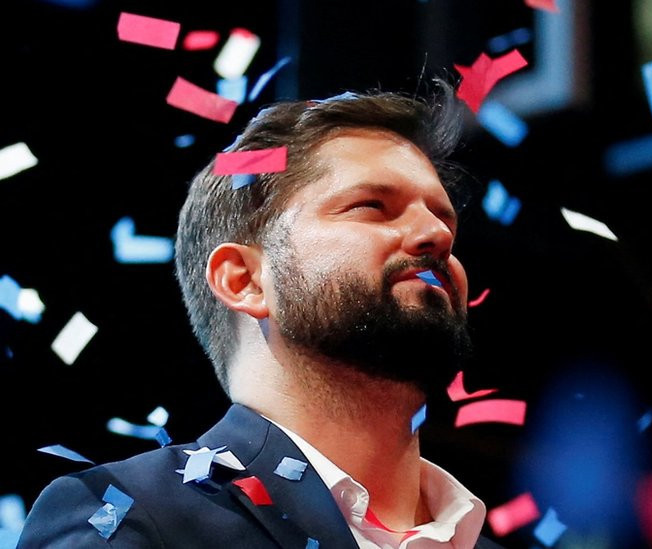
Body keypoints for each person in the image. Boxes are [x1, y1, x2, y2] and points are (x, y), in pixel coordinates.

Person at [18, 84, 505, 548]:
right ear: (244, 280)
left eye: (444, 218)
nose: (435, 234)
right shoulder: (128, 517)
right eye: (372, 206)